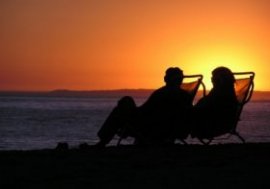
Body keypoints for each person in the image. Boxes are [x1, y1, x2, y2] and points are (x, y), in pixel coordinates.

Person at [96, 67, 193, 147]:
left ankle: (103, 140)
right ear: (180, 80)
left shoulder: (162, 93)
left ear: (167, 79)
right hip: (164, 126)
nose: (165, 78)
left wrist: (129, 110)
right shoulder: (185, 96)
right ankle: (106, 138)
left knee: (124, 105)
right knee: (125, 104)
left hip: (151, 126)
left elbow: (146, 110)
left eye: (167, 76)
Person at [191, 66, 238, 139]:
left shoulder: (223, 93)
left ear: (221, 79)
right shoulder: (223, 90)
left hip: (214, 123)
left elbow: (212, 108)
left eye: (214, 77)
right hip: (212, 121)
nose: (212, 79)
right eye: (212, 77)